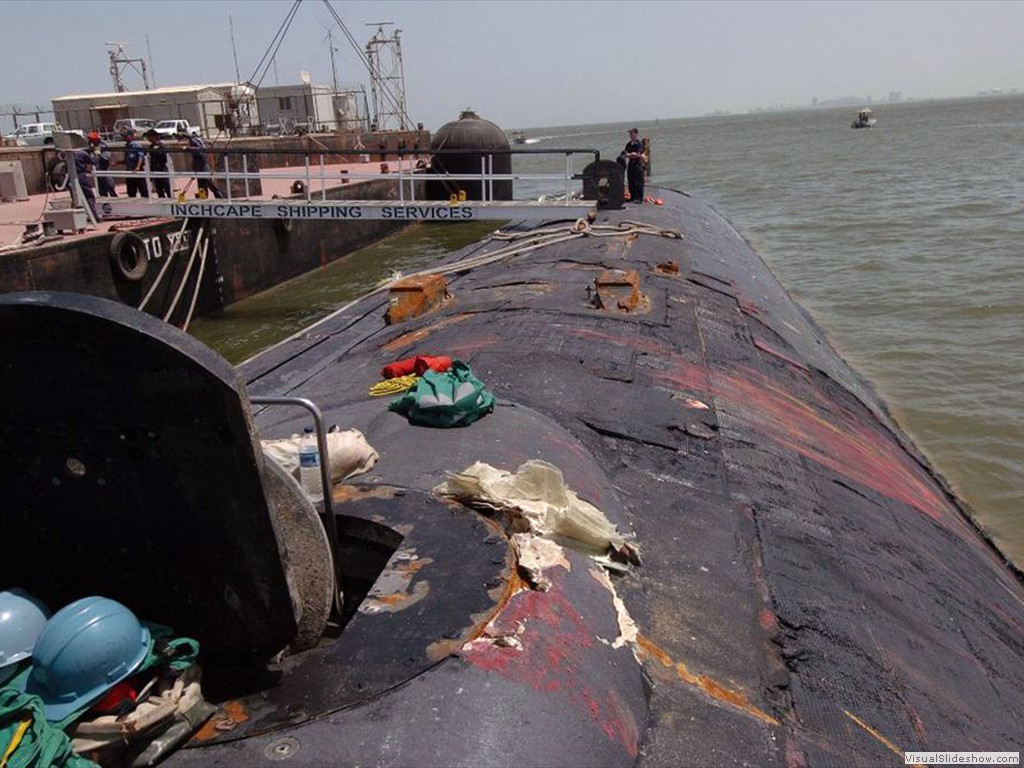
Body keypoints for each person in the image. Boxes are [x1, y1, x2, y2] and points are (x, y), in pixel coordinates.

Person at [179, 130, 223, 198]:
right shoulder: (194, 140)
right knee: (201, 184)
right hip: (199, 165)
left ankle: (219, 197)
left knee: (210, 183)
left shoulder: (194, 140)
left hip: (202, 165)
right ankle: (203, 198)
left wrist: (188, 148)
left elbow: (200, 150)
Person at [72, 146, 100, 222]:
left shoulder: (68, 153)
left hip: (70, 177)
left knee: (75, 198)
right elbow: (94, 162)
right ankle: (94, 217)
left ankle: (77, 219)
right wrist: (96, 154)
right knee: (89, 197)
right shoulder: (82, 153)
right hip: (81, 176)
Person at [88, 131, 117, 197]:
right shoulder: (91, 146)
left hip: (104, 169)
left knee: (110, 187)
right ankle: (106, 205)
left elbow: (106, 158)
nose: (91, 141)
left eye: (92, 139)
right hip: (98, 170)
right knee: (102, 191)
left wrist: (99, 153)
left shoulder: (103, 145)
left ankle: (115, 201)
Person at [145, 129, 172, 198]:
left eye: (149, 137)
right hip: (154, 169)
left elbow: (164, 157)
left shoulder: (160, 145)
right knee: (158, 188)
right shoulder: (151, 146)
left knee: (167, 187)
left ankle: (170, 199)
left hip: (162, 168)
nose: (148, 139)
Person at [122, 129, 148, 198]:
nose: (124, 138)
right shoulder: (126, 146)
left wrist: (138, 167)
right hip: (129, 171)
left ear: (131, 136)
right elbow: (127, 160)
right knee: (131, 192)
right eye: (123, 136)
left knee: (143, 190)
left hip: (138, 171)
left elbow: (141, 157)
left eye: (126, 136)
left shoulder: (136, 145)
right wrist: (117, 162)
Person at [623, 127, 645, 204]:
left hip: (637, 164)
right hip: (631, 164)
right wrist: (631, 155)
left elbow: (638, 154)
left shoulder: (639, 143)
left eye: (632, 133)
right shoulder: (628, 144)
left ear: (636, 134)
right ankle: (632, 197)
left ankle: (639, 198)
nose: (631, 135)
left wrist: (633, 155)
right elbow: (625, 154)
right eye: (630, 133)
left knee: (638, 182)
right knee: (631, 181)